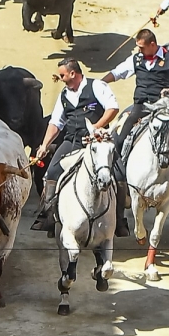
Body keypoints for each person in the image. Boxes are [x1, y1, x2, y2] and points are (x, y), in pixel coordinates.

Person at [102, 28, 169, 221]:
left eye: (142, 48)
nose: (139, 51)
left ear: (153, 45)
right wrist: (101, 82)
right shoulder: (137, 60)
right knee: (118, 140)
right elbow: (119, 73)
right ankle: (119, 184)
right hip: (141, 107)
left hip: (164, 107)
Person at [30, 57, 119, 231]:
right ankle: (49, 215)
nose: (60, 79)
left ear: (73, 73)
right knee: (51, 173)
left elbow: (112, 108)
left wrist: (95, 127)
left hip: (98, 141)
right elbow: (56, 122)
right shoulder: (64, 95)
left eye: (62, 75)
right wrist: (44, 145)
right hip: (73, 141)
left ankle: (119, 219)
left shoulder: (97, 86)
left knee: (119, 174)